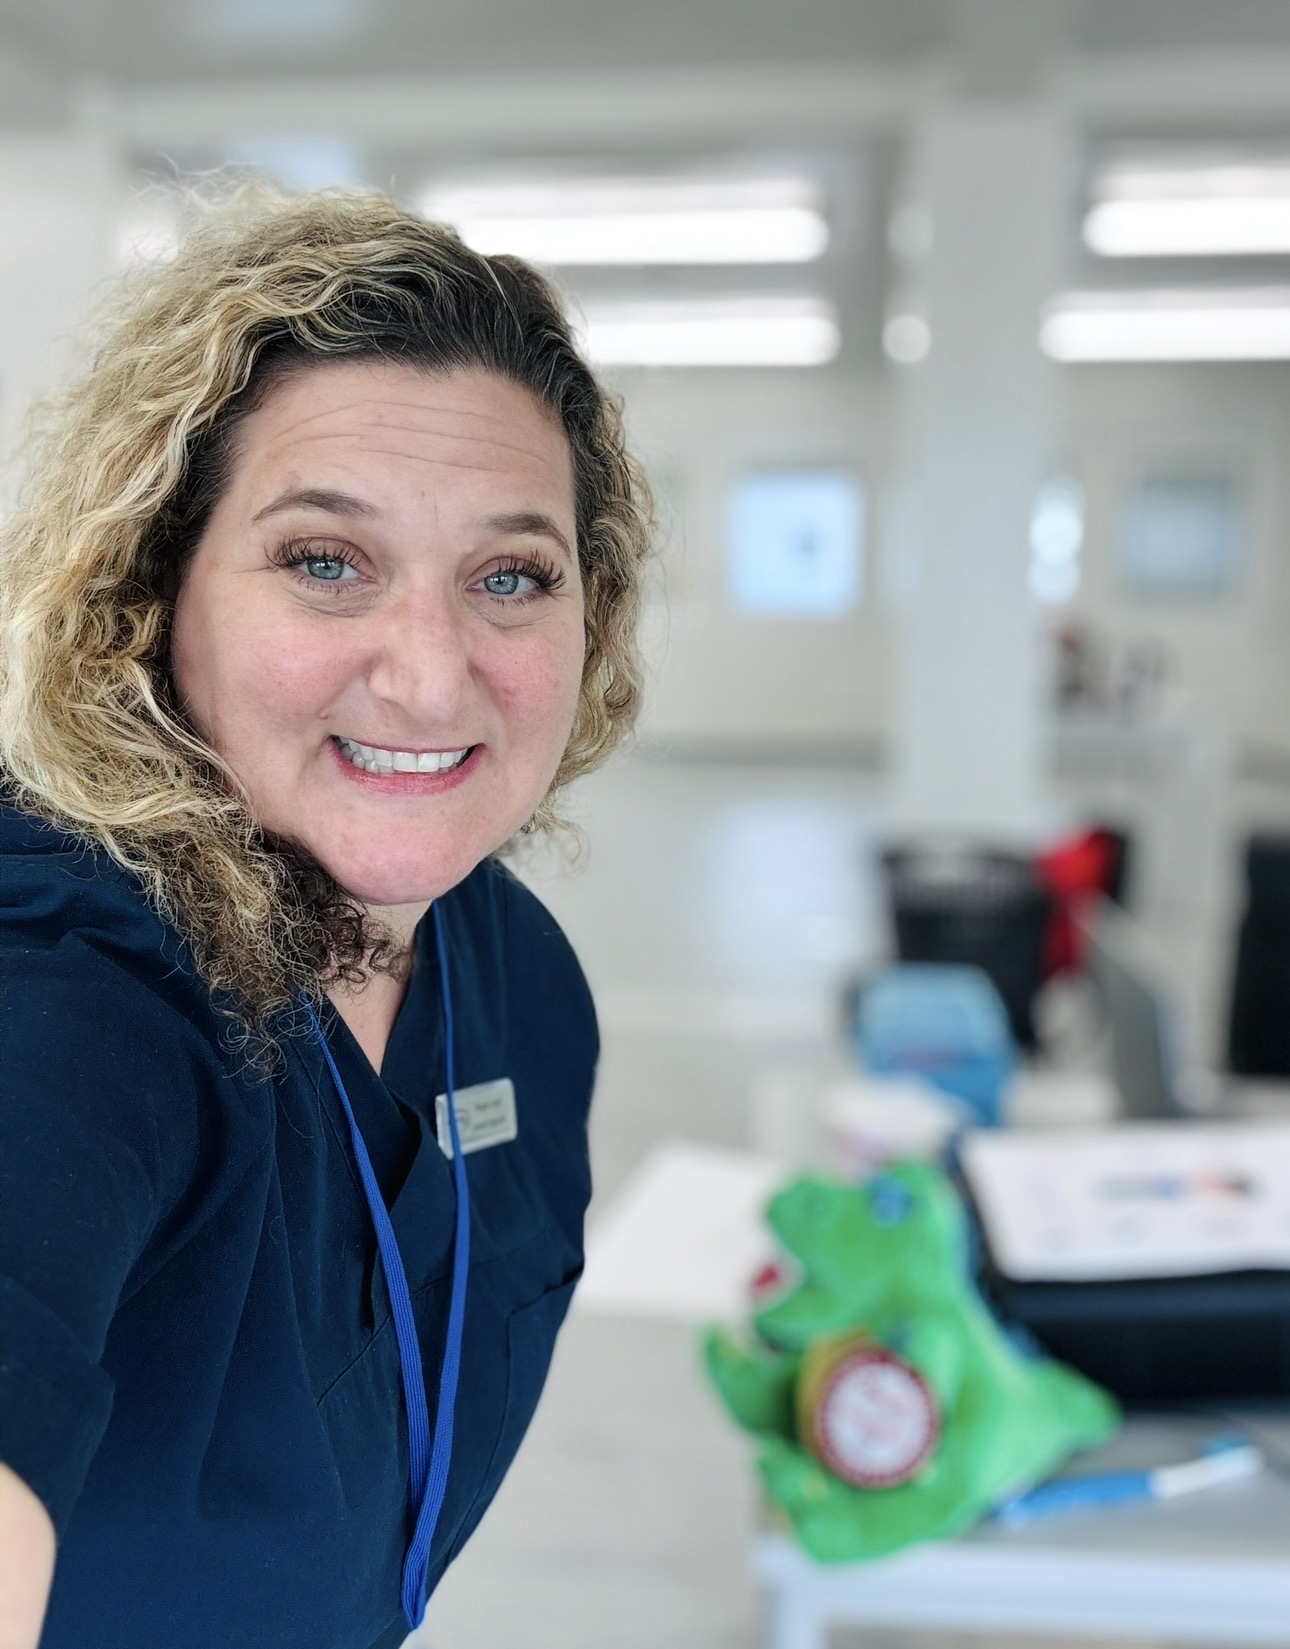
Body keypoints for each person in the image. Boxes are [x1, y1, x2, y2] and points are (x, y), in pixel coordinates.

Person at [0, 189, 650, 1649]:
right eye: (323, 560)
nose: (429, 674)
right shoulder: (65, 974)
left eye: (508, 575)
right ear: (150, 589)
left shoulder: (514, 976)